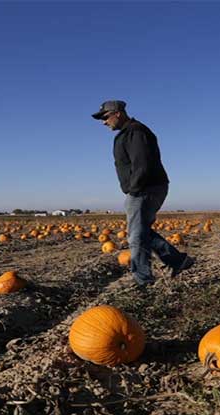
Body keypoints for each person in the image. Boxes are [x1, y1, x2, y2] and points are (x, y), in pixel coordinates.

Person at [91, 100, 194, 287]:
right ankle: (179, 261)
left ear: (118, 113)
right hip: (147, 187)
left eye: (105, 117)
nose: (103, 122)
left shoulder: (135, 132)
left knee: (136, 235)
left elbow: (142, 163)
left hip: (145, 188)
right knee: (141, 230)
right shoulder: (130, 132)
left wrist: (134, 189)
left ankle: (143, 281)